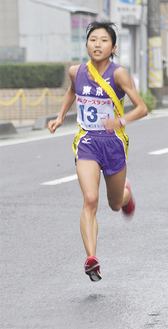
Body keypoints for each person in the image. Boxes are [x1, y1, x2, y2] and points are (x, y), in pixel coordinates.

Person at [48, 20, 148, 282]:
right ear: (86, 44)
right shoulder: (76, 71)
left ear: (113, 47)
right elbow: (73, 91)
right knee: (90, 199)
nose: (97, 44)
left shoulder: (118, 74)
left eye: (104, 40)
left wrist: (119, 121)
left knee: (114, 204)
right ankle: (92, 259)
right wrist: (60, 117)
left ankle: (126, 195)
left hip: (113, 143)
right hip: (87, 143)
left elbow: (142, 108)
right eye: (93, 39)